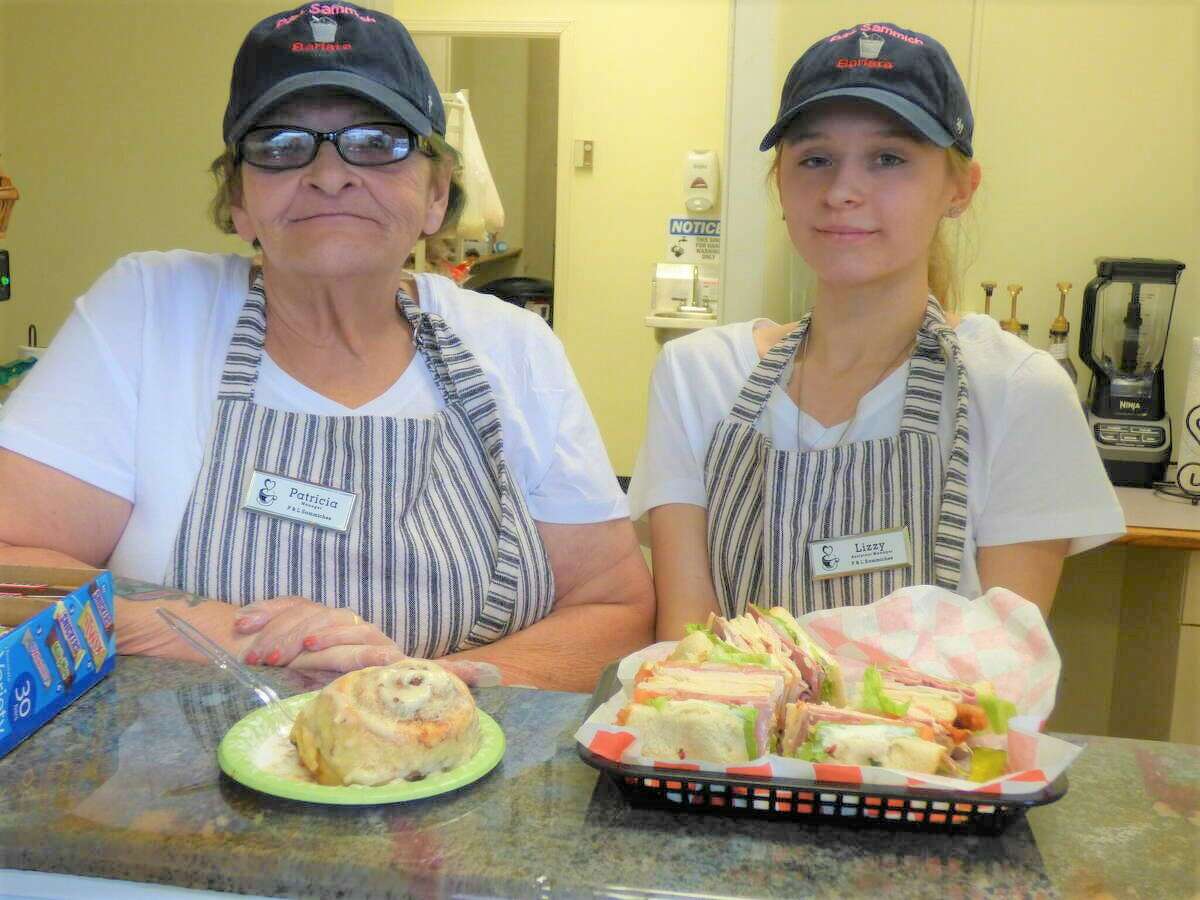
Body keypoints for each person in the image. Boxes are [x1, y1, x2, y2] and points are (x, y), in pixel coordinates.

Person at [0, 3, 653, 691]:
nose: (330, 174)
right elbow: (12, 569)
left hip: (463, 767)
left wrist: (411, 698)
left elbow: (615, 607)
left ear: (435, 192)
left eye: (376, 141)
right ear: (240, 202)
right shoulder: (150, 310)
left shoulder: (513, 347)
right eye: (281, 146)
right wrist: (233, 634)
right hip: (171, 791)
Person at [628, 22, 1124, 637]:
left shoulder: (1016, 391)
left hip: (938, 732)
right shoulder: (699, 375)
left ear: (959, 190)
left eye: (889, 159)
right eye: (815, 159)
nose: (842, 191)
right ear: (780, 184)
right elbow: (687, 640)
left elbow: (1003, 672)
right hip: (734, 728)